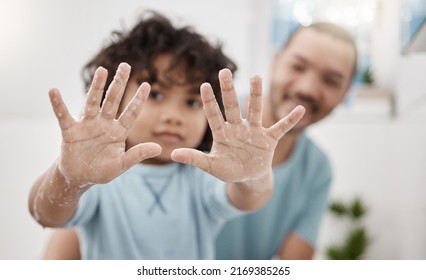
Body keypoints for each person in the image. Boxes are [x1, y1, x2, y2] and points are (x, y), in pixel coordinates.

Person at [29, 12, 305, 260]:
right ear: (111, 96)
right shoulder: (97, 176)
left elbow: (248, 199)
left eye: (192, 102)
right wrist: (68, 179)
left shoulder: (202, 177)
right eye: (157, 95)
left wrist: (252, 177)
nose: (174, 115)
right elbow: (45, 213)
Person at [215, 22, 357, 260]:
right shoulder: (204, 121)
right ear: (276, 62)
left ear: (345, 94)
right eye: (297, 66)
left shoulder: (317, 169)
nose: (307, 89)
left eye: (331, 81)